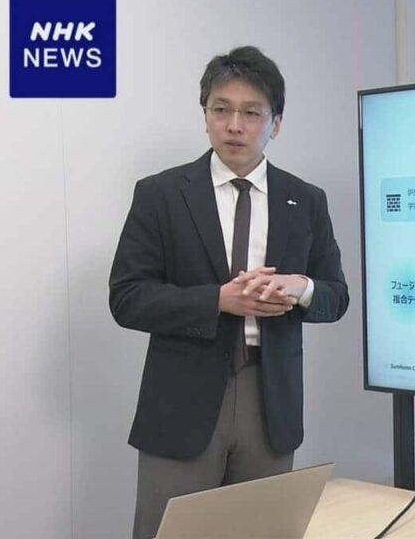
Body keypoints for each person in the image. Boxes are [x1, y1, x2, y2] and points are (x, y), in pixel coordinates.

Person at [109, 46, 349, 539]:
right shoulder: (161, 194)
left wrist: (300, 288)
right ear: (205, 117)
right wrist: (217, 300)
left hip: (270, 400)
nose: (234, 125)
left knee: (262, 531)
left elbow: (336, 296)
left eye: (251, 113)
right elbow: (127, 297)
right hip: (182, 401)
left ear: (275, 124)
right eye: (221, 109)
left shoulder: (305, 199)